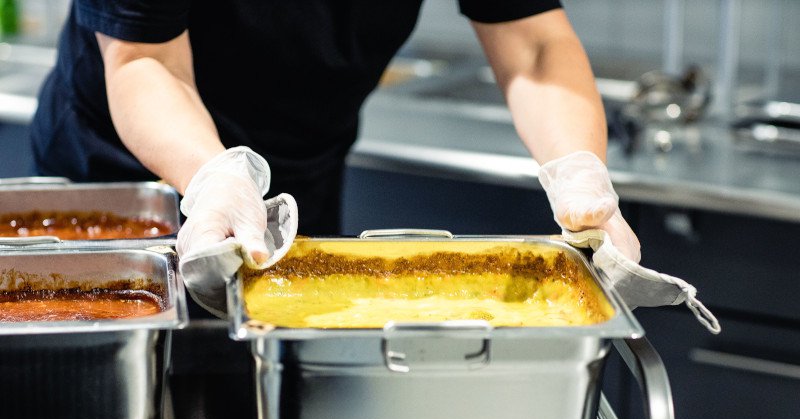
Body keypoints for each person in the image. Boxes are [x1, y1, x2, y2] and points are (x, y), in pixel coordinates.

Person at [31, 0, 640, 275]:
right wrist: (213, 177)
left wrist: (578, 168)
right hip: (127, 176)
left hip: (300, 168)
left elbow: (533, 44)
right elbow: (144, 60)